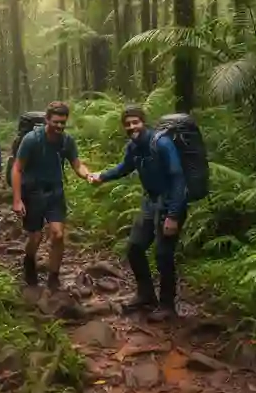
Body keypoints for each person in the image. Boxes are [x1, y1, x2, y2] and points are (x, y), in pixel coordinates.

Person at [88, 105, 186, 321]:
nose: (132, 127)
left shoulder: (161, 143)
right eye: (128, 124)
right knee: (134, 247)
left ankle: (167, 306)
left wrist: (173, 215)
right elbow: (124, 168)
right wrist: (101, 176)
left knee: (163, 254)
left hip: (169, 203)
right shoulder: (133, 147)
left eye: (136, 122)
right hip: (150, 202)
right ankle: (145, 294)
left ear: (143, 122)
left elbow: (178, 178)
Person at [11, 100, 93, 291]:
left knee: (58, 235)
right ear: (47, 119)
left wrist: (87, 175)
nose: (59, 126)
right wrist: (17, 200)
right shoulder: (32, 139)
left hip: (55, 191)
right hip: (32, 192)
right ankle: (29, 261)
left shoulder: (66, 141)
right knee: (35, 237)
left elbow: (77, 164)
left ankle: (53, 277)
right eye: (56, 122)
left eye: (63, 122)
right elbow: (17, 168)